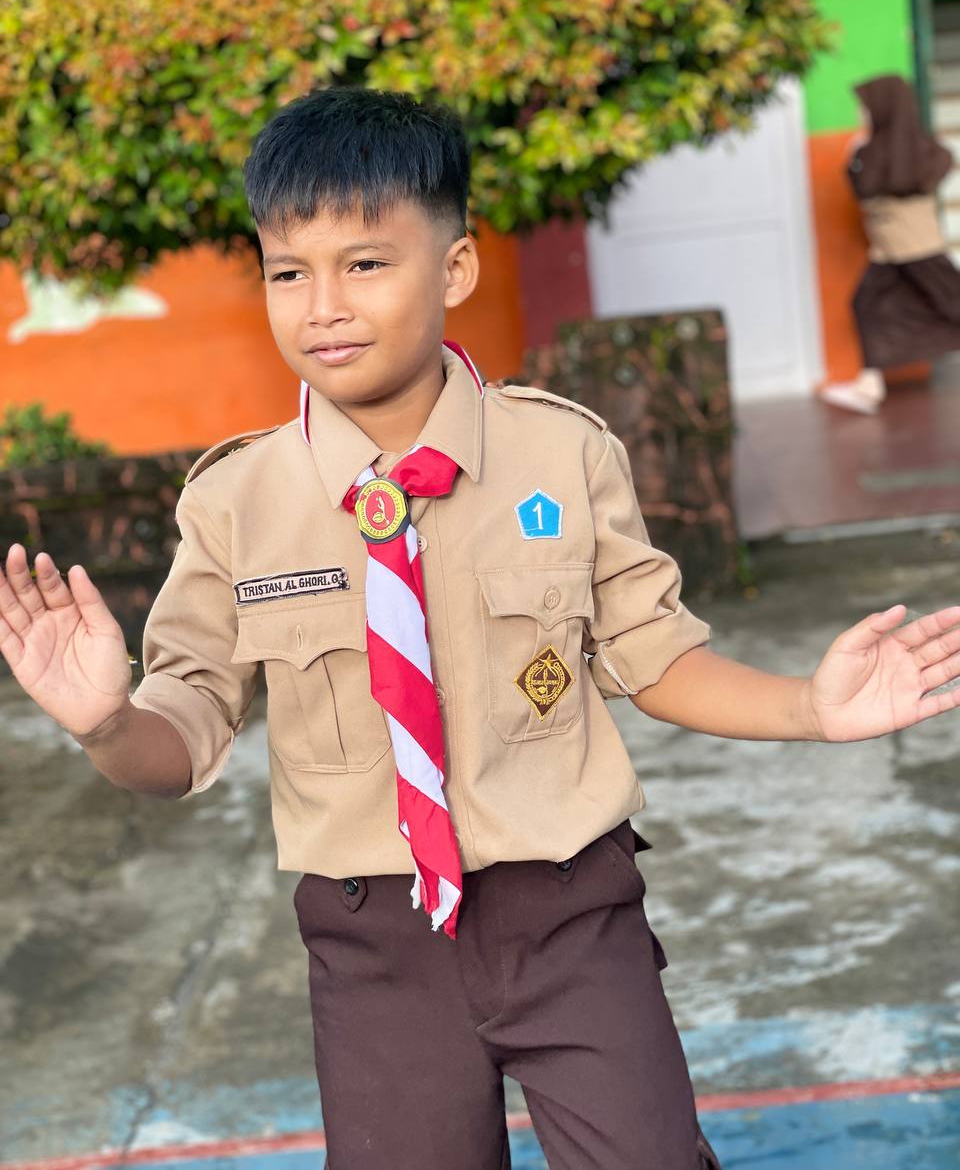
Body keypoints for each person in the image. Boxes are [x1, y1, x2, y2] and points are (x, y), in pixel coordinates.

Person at [2, 87, 959, 1170]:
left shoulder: (563, 454)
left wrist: (808, 708)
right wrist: (104, 723)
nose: (323, 306)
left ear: (454, 268)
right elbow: (182, 731)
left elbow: (654, 656)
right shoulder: (234, 501)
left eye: (365, 263)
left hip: (571, 916)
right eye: (287, 271)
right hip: (373, 946)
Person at [819, 73, 960, 415]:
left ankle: (869, 382)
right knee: (866, 305)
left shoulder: (916, 149)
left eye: (865, 108)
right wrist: (857, 155)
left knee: (952, 302)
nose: (861, 115)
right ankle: (869, 383)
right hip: (887, 249)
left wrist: (859, 156)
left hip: (917, 246)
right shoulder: (870, 149)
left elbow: (893, 182)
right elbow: (864, 188)